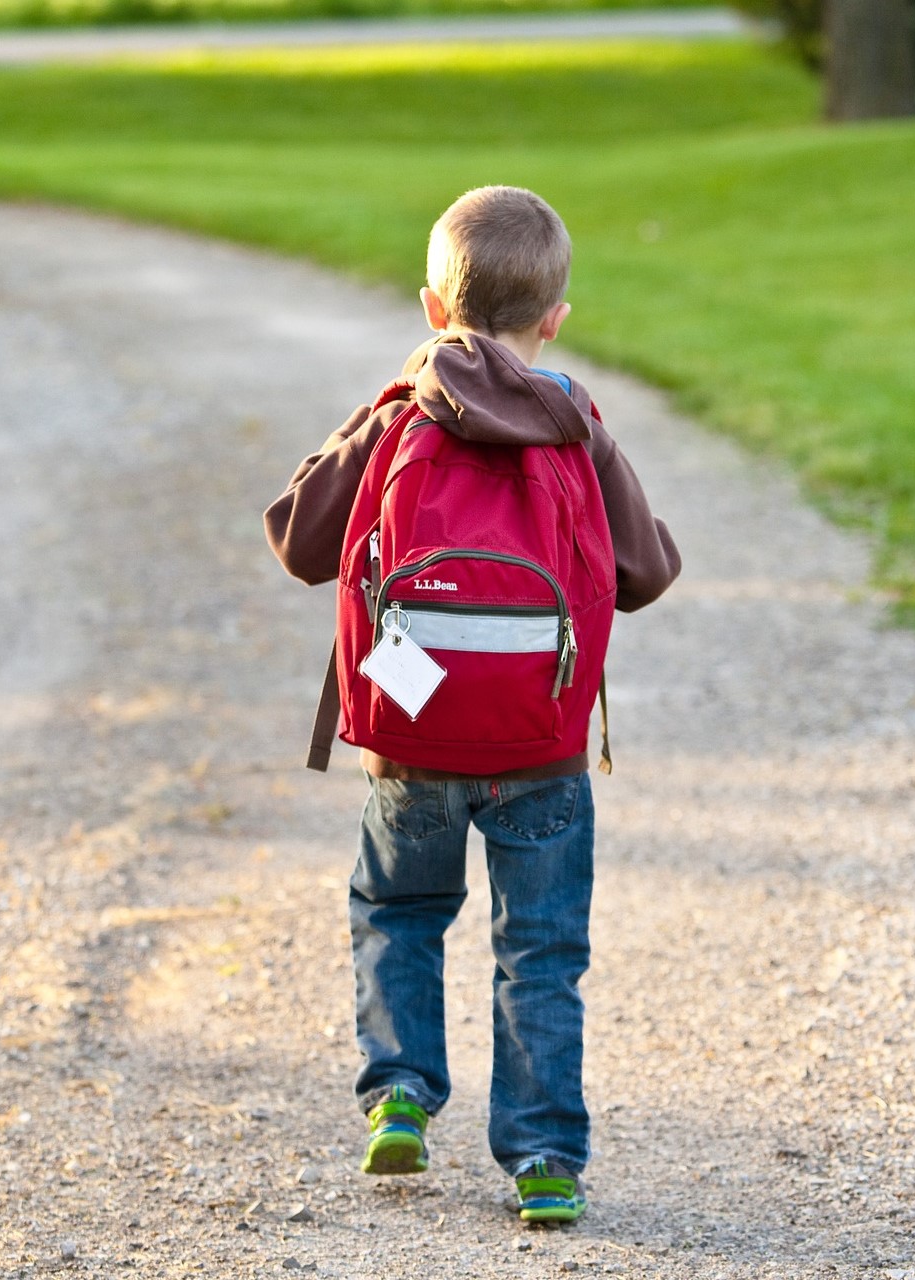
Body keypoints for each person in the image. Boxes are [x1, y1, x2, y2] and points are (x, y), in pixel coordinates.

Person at [264, 185, 679, 1223]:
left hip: (411, 740)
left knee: (398, 911)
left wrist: (384, 401)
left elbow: (298, 539)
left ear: (429, 308)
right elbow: (646, 571)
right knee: (537, 950)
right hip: (540, 746)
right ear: (555, 318)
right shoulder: (572, 419)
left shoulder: (402, 412)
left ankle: (399, 1091)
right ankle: (543, 1157)